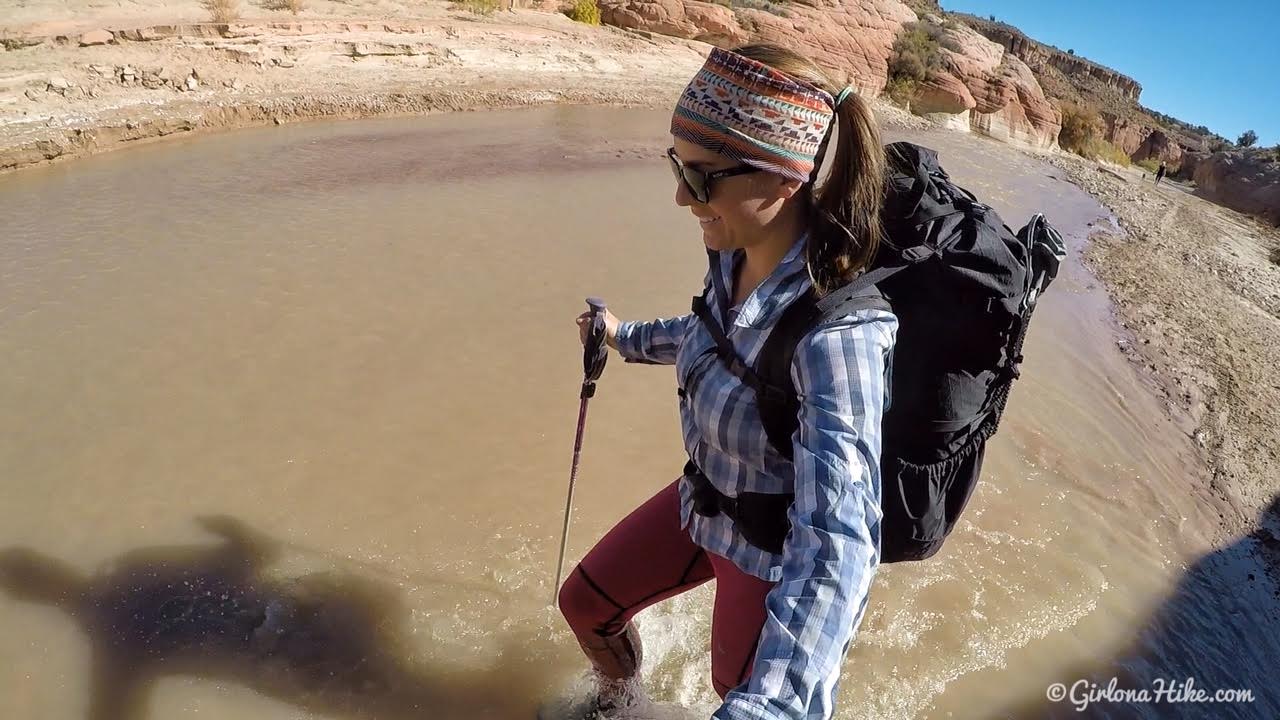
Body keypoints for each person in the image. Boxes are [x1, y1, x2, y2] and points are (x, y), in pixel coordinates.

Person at [556, 43, 897, 720]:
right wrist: (627, 337)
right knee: (585, 606)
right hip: (701, 501)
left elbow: (839, 540)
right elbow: (714, 338)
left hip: (768, 551)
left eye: (704, 176)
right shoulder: (734, 251)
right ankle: (617, 704)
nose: (682, 196)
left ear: (784, 179)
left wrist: (772, 707)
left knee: (732, 690)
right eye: (677, 164)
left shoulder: (842, 337)